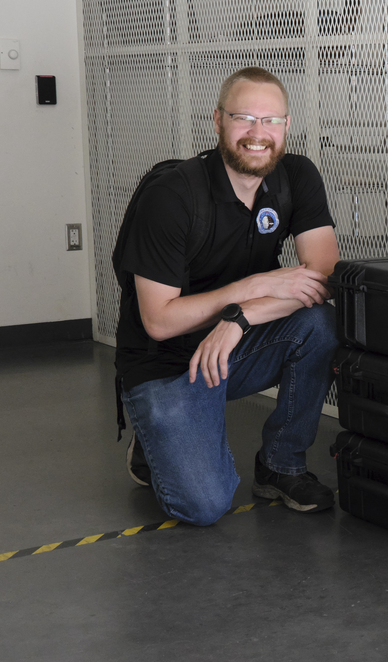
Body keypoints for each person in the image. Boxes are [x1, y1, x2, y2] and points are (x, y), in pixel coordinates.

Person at [115, 67, 340, 526]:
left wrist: (238, 319)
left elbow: (321, 277)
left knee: (321, 324)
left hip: (230, 347)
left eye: (271, 121)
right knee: (204, 505)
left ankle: (280, 465)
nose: (258, 134)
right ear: (217, 121)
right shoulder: (172, 195)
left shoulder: (297, 176)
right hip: (164, 364)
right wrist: (252, 288)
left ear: (286, 127)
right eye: (244, 118)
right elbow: (158, 321)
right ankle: (152, 433)